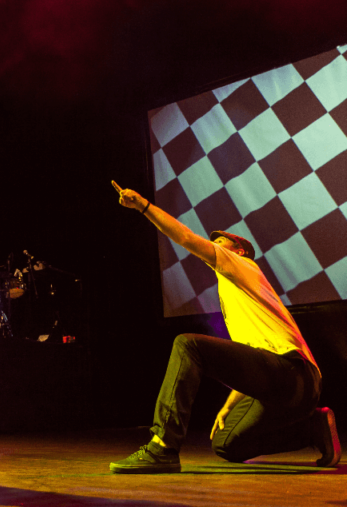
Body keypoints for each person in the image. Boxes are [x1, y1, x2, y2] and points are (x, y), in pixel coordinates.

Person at [109, 180, 341, 474]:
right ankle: (312, 429)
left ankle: (162, 447)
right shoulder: (239, 300)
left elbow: (186, 238)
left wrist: (143, 206)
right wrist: (230, 405)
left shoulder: (242, 266)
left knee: (187, 344)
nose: (215, 246)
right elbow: (254, 359)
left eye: (221, 242)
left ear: (238, 251)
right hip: (290, 388)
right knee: (226, 444)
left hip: (293, 373)